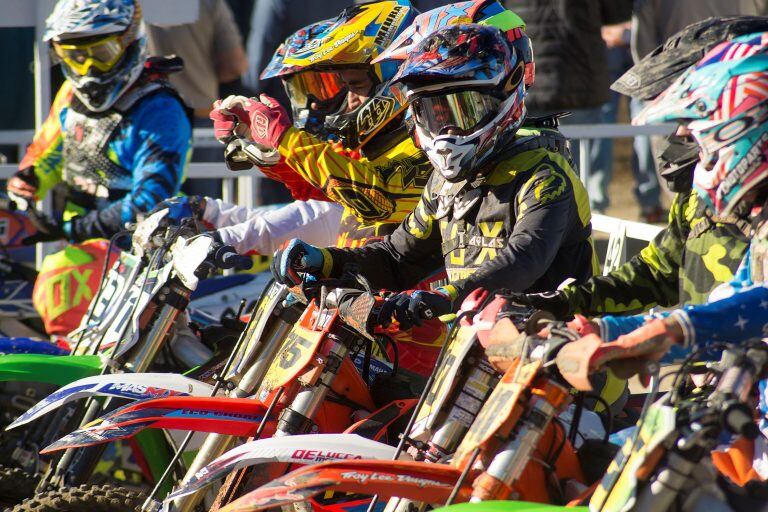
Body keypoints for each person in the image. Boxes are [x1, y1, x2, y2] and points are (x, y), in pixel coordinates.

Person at [271, 23, 596, 351]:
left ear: (503, 97)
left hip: (563, 361)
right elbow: (398, 257)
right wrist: (326, 261)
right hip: (476, 359)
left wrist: (444, 295)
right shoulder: (444, 183)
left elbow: (524, 259)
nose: (447, 130)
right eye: (433, 113)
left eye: (463, 110)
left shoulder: (545, 175)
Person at [561, 32, 768, 487]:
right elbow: (734, 299)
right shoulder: (759, 225)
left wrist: (670, 330)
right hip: (730, 419)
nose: (683, 142)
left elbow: (759, 306)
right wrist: (603, 329)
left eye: (700, 132)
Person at [512, 16, 768, 321]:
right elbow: (656, 274)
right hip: (707, 363)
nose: (682, 135)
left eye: (695, 120)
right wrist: (560, 303)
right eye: (682, 122)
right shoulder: (699, 198)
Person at [7, 0, 191, 245]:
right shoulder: (70, 94)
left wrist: (72, 229)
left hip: (148, 247)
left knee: (55, 282)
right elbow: (50, 151)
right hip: (82, 241)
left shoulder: (160, 109)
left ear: (129, 43)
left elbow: (151, 198)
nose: (89, 70)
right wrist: (29, 181)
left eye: (102, 54)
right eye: (75, 57)